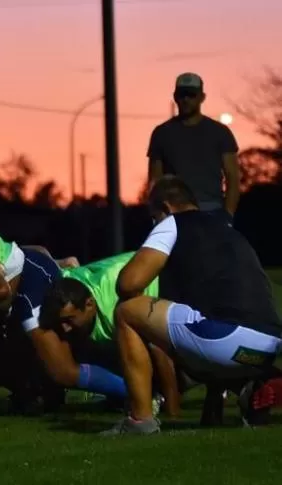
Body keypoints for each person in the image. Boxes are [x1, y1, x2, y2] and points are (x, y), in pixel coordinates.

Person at [104, 175, 282, 435]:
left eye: (154, 217)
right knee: (202, 320)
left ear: (165, 208)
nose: (154, 223)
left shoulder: (173, 224)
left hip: (225, 341)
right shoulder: (228, 230)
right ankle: (252, 385)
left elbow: (129, 284)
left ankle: (139, 420)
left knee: (127, 312)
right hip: (266, 348)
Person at [37, 253, 168, 408]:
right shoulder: (61, 288)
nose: (64, 328)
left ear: (90, 305)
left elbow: (156, 351)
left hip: (160, 279)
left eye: (69, 320)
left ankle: (155, 397)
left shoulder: (116, 312)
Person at [147, 72, 240, 226]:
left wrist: (227, 216)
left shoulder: (220, 132)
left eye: (191, 95)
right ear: (175, 96)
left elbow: (233, 178)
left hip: (212, 211)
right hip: (174, 212)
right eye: (182, 95)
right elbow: (154, 180)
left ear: (201, 97)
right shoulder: (162, 133)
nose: (186, 100)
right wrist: (157, 216)